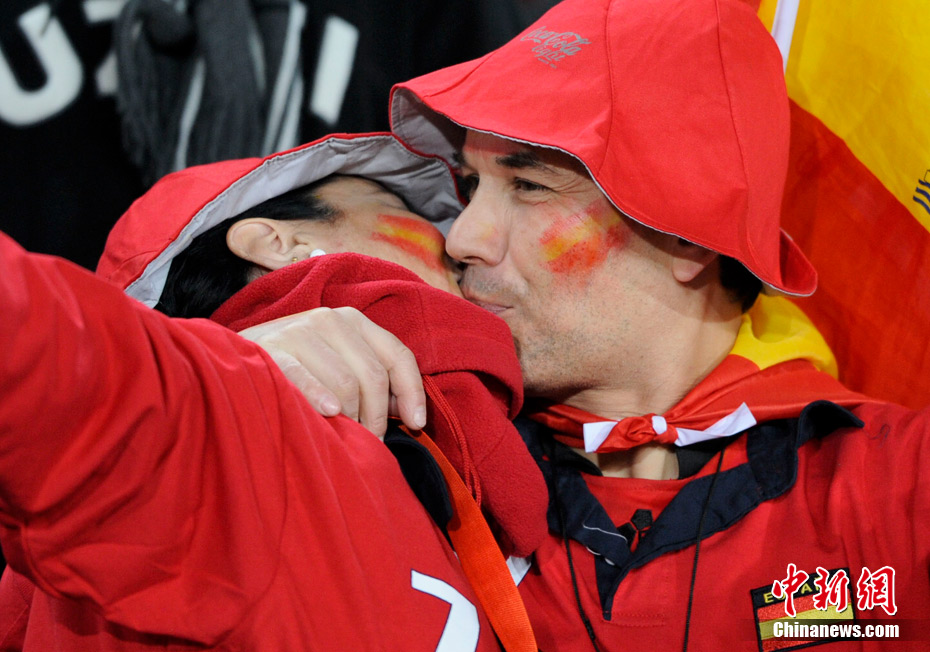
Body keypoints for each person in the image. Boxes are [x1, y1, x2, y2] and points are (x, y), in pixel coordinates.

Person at [249, 0, 930, 650]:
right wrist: (244, 385)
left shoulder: (897, 486)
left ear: (688, 236)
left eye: (529, 186)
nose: (461, 238)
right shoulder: (402, 442)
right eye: (471, 186)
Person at [0, 133, 543, 651]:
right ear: (279, 243)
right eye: (395, 205)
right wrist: (228, 372)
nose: (455, 241)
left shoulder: (478, 452)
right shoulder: (218, 435)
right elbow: (33, 333)